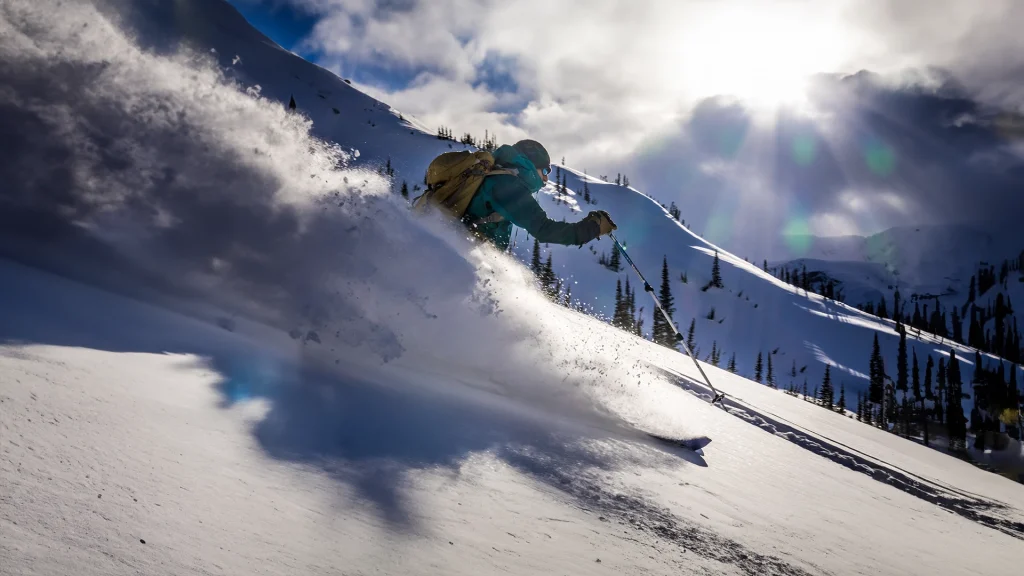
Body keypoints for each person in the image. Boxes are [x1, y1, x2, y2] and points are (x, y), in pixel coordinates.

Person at [463, 139, 617, 250]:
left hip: (468, 246)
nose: (545, 179)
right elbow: (543, 229)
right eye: (544, 171)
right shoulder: (507, 185)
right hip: (467, 249)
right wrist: (592, 228)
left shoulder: (499, 179)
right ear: (529, 164)